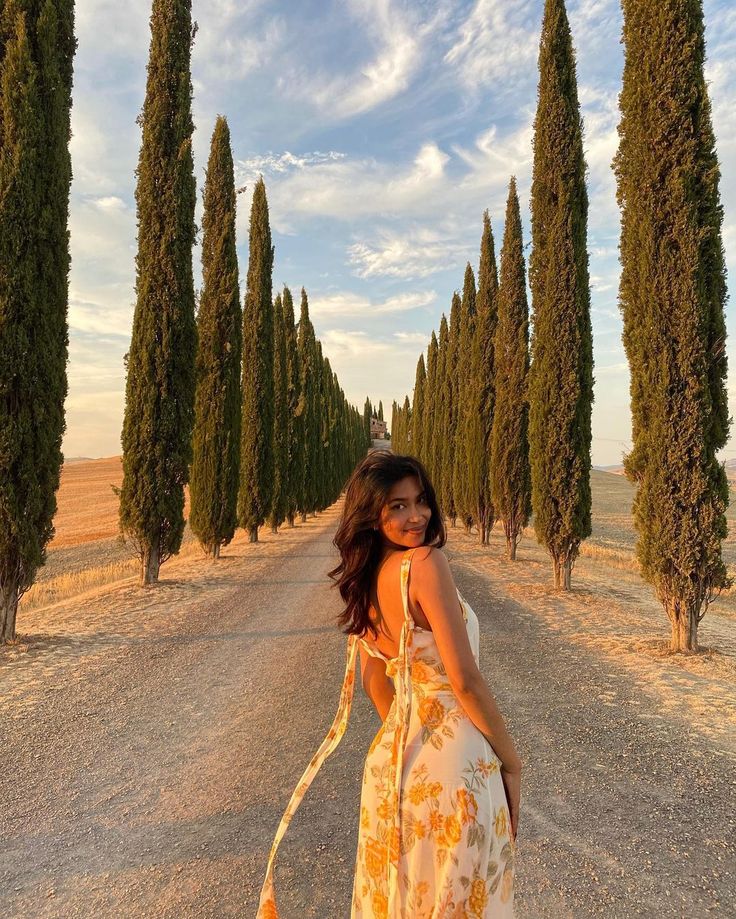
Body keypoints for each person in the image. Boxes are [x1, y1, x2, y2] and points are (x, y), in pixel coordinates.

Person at [257, 451, 521, 918]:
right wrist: (512, 763)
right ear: (371, 513)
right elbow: (464, 680)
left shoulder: (364, 582)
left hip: (389, 770)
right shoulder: (424, 564)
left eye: (420, 501)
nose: (416, 516)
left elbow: (374, 681)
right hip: (454, 769)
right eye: (397, 506)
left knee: (398, 901)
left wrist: (410, 729)